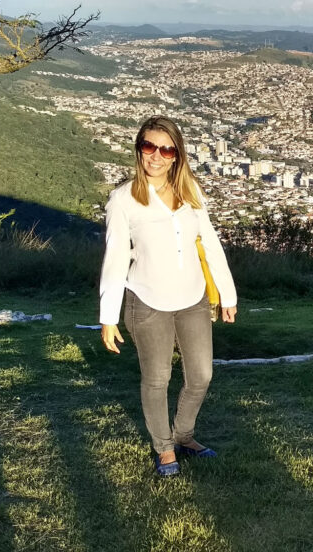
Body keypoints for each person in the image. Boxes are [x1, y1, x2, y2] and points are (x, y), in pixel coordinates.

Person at [99, 115, 237, 477]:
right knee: (157, 379)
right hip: (146, 300)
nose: (155, 156)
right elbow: (114, 258)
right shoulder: (123, 200)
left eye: (165, 149)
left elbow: (209, 242)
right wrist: (108, 316)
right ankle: (164, 449)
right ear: (138, 149)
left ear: (177, 154)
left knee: (201, 375)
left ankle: (185, 435)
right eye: (148, 146)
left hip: (192, 298)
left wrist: (227, 293)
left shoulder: (190, 190)